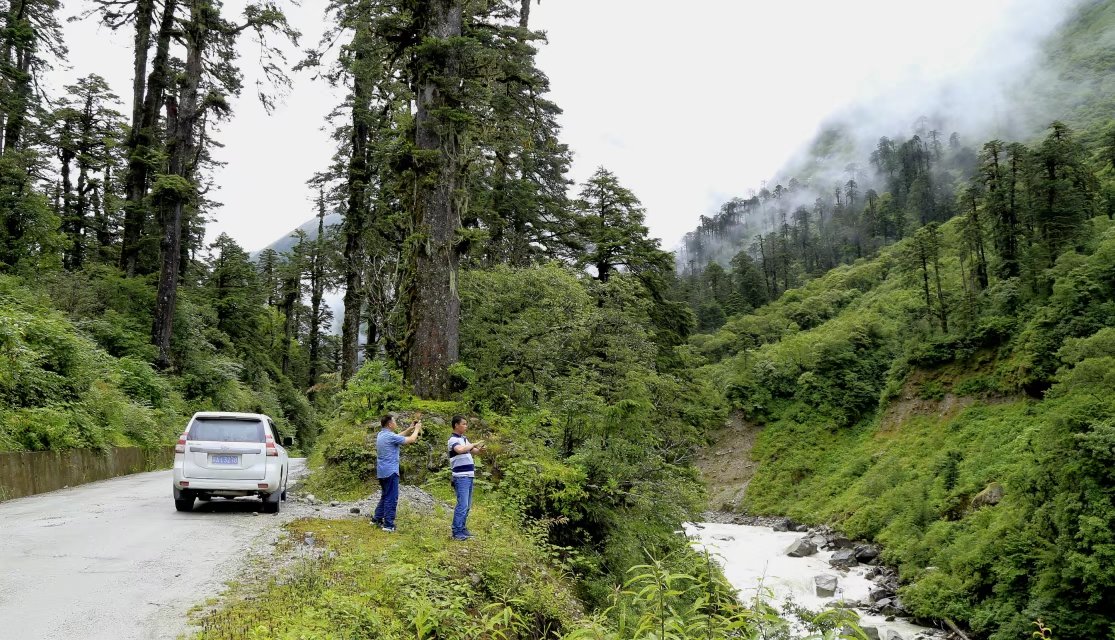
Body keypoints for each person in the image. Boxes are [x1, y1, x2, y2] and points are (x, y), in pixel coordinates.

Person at [371, 413, 422, 532]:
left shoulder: (382, 435)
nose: (396, 423)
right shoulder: (390, 436)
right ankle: (388, 525)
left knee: (385, 496)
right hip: (391, 471)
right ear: (390, 424)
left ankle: (377, 519)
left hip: (382, 471)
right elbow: (411, 439)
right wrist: (417, 430)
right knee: (391, 498)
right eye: (394, 421)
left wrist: (410, 429)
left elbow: (398, 437)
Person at [447, 415, 483, 540]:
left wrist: (481, 449)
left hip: (469, 476)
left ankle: (462, 528)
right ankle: (456, 531)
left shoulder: (464, 439)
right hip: (460, 477)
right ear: (456, 425)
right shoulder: (453, 440)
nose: (466, 426)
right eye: (464, 424)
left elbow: (475, 451)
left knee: (467, 505)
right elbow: (461, 450)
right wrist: (473, 444)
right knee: (462, 504)